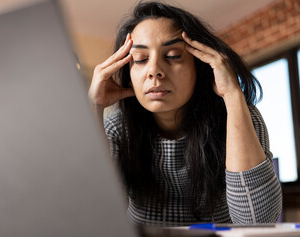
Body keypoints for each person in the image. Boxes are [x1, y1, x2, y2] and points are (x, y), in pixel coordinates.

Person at [88, 1, 282, 225]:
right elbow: (96, 218)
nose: (154, 71)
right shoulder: (117, 129)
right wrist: (93, 107)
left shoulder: (237, 115)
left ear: (199, 66)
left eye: (172, 55)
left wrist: (232, 94)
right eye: (140, 59)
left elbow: (257, 222)